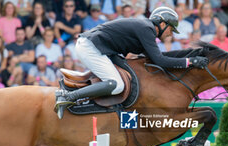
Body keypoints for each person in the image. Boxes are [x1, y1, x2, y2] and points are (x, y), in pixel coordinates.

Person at [54, 7, 209, 118]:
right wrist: (190, 61)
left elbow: (156, 58)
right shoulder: (147, 29)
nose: (170, 34)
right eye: (170, 29)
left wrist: (188, 59)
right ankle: (68, 96)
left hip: (100, 48)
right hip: (91, 48)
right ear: (162, 24)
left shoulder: (145, 29)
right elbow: (160, 60)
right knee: (116, 84)